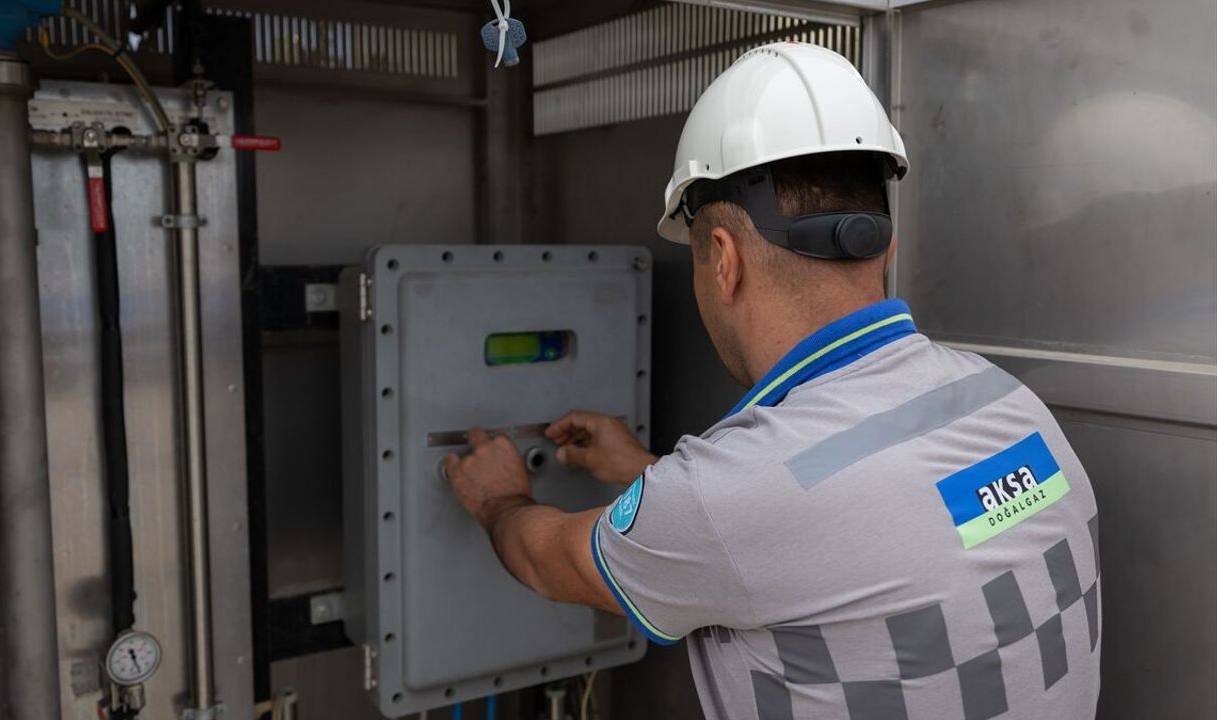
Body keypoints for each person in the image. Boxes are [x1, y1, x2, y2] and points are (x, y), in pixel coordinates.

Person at [444, 42, 1100, 720]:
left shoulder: (729, 497)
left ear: (723, 259)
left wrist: (499, 498)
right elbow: (842, 524)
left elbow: (555, 560)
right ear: (884, 244)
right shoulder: (1008, 402)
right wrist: (646, 470)